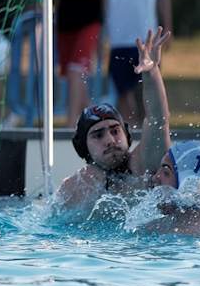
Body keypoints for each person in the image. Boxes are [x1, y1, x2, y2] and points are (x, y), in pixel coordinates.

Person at [55, 27, 171, 215]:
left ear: (126, 135)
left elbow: (158, 119)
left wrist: (151, 71)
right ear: (83, 147)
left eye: (115, 131)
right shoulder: (74, 188)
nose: (110, 139)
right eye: (98, 135)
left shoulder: (143, 165)